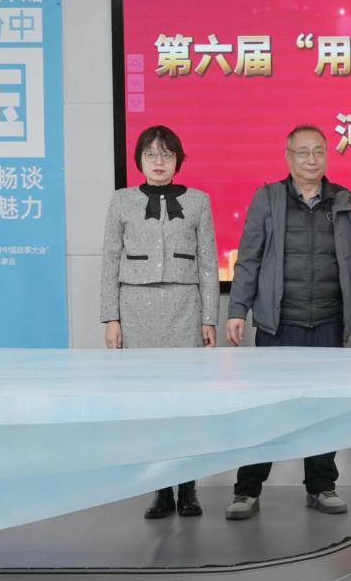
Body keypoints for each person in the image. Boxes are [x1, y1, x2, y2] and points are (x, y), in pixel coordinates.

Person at [224, 125, 351, 520]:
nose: (312, 160)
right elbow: (249, 259)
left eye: (318, 152)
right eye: (303, 152)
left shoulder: (344, 201)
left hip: (327, 323)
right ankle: (247, 491)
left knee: (323, 412)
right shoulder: (268, 198)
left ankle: (321, 487)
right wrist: (237, 310)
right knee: (265, 411)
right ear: (288, 156)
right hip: (278, 324)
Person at [100, 125, 219, 519]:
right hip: (136, 309)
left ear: (178, 160)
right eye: (151, 154)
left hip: (185, 308)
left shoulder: (199, 202)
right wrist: (111, 317)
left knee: (187, 404)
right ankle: (160, 491)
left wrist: (208, 318)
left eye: (167, 154)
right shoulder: (121, 201)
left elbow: (208, 264)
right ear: (139, 159)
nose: (159, 161)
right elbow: (109, 261)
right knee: (150, 405)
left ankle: (189, 489)